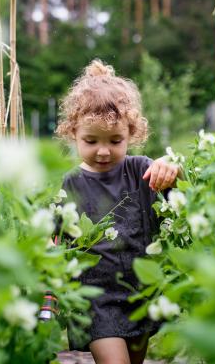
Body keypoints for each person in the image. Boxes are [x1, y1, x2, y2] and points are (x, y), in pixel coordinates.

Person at [56, 59, 181, 364]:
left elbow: (177, 188)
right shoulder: (72, 182)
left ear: (132, 134)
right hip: (96, 298)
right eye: (90, 140)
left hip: (139, 292)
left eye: (115, 141)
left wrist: (172, 168)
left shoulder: (141, 170)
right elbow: (55, 233)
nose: (103, 151)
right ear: (73, 133)